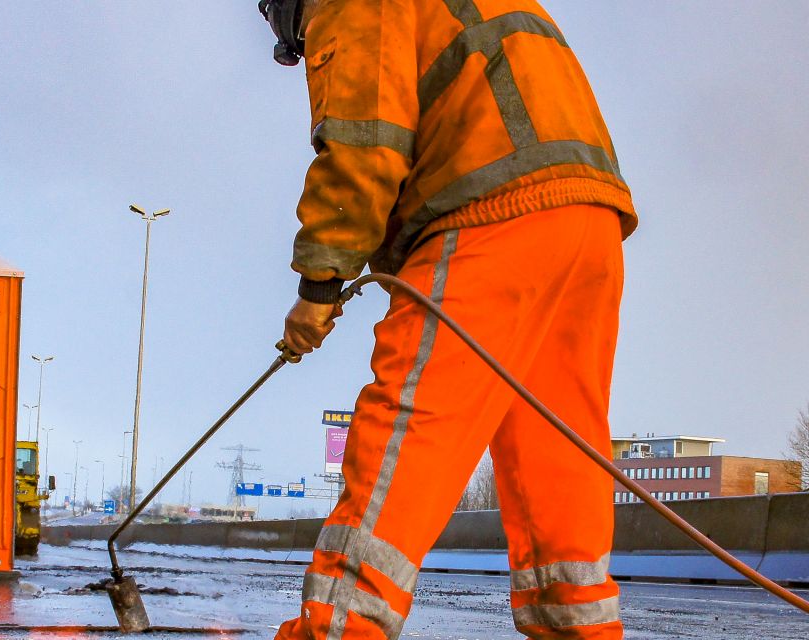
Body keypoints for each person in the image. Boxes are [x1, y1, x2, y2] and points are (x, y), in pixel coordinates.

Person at [260, 0, 636, 638]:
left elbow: (362, 149)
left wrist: (318, 287)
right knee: (556, 455)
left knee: (407, 435)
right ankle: (581, 631)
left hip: (491, 215)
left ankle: (337, 629)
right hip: (588, 224)